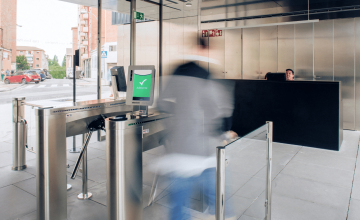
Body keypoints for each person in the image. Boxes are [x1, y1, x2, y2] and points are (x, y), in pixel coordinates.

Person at [154, 38, 237, 220]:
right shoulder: (207, 75)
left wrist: (181, 116)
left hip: (183, 147)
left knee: (179, 205)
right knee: (218, 200)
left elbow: (161, 102)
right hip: (207, 149)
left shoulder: (178, 71)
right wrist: (224, 133)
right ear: (203, 49)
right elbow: (220, 110)